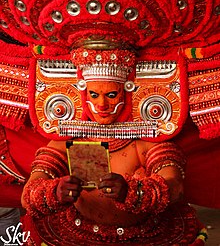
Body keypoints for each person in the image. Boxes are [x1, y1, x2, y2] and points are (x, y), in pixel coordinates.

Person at [21, 49, 207, 245]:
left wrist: (132, 192)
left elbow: (175, 187)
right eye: (94, 95)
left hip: (145, 234)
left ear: (125, 92)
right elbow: (27, 196)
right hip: (76, 231)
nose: (102, 104)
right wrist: (55, 192)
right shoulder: (66, 138)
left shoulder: (147, 138)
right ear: (84, 94)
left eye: (111, 94)